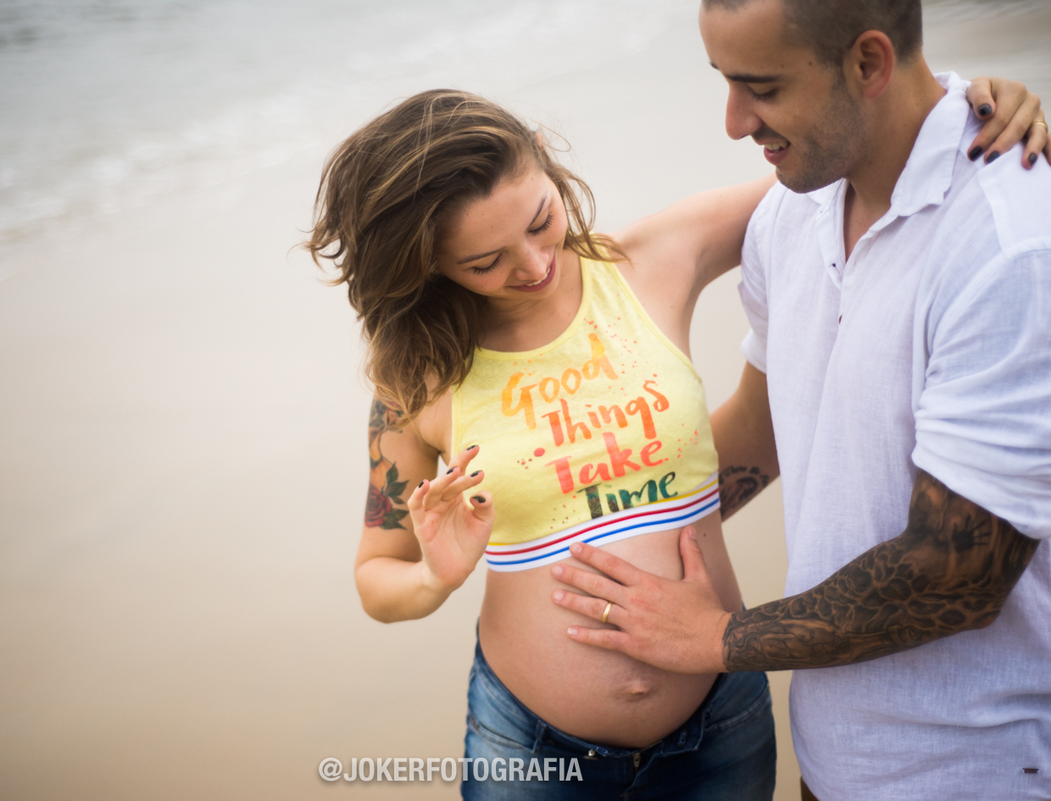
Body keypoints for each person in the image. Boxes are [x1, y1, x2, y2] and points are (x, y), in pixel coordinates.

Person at [305, 77, 1043, 799]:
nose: (532, 266)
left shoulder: (651, 260)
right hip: (530, 749)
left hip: (718, 726)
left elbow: (857, 156)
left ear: (541, 155)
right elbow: (378, 574)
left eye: (539, 221)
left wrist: (965, 106)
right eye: (484, 262)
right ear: (429, 263)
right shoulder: (418, 374)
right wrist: (436, 574)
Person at [547, 2, 1051, 800]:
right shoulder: (793, 209)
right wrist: (590, 528)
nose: (733, 121)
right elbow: (765, 426)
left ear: (869, 64)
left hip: (977, 767)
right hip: (832, 753)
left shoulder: (1010, 244)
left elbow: (960, 572)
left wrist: (717, 637)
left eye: (762, 87)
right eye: (724, 82)